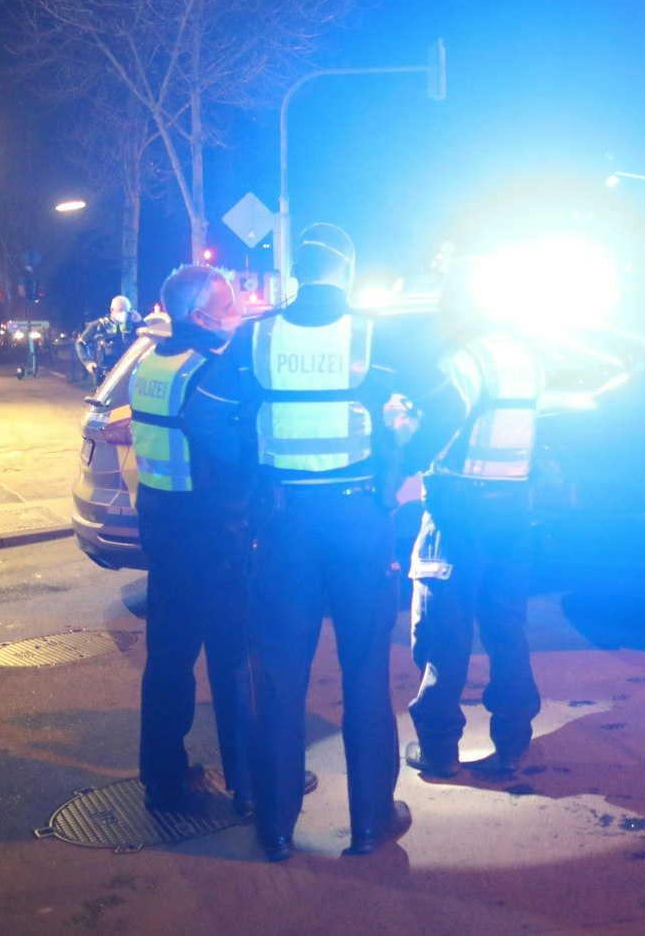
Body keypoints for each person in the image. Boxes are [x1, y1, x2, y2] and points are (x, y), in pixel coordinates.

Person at [194, 223, 461, 862]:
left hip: (284, 524)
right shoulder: (374, 335)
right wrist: (400, 465)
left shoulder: (256, 337)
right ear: (347, 270)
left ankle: (276, 828)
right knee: (365, 671)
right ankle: (370, 822)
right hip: (359, 520)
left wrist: (252, 472)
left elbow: (201, 414)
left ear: (296, 271)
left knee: (279, 677)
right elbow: (450, 403)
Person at [403, 266, 544, 780]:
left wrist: (405, 452)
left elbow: (441, 422)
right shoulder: (526, 358)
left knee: (444, 630)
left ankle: (439, 751)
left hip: (459, 510)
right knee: (506, 629)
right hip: (512, 508)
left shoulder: (466, 360)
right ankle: (512, 745)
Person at [126, 265, 254, 817]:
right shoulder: (210, 370)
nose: (238, 311)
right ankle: (252, 783)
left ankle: (163, 777)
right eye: (228, 304)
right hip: (209, 529)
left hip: (161, 524)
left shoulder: (150, 363)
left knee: (168, 658)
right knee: (232, 659)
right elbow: (233, 450)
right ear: (199, 315)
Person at [77, 296, 144, 387]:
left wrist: (140, 321)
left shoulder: (132, 326)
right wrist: (88, 362)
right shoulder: (99, 325)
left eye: (127, 310)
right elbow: (80, 343)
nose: (124, 313)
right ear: (112, 309)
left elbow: (148, 336)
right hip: (105, 375)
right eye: (120, 310)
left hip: (127, 374)